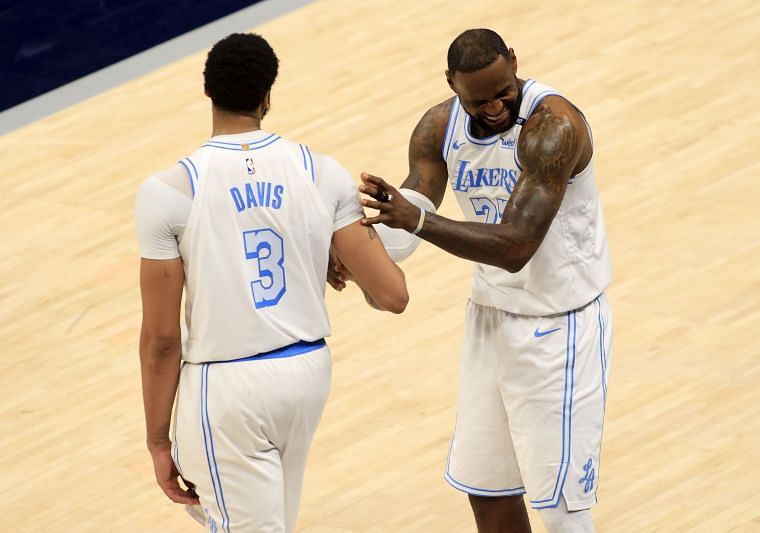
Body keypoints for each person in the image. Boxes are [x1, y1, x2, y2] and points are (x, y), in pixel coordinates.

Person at [135, 32, 408, 533]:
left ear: (207, 92)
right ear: (267, 96)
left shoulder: (168, 191)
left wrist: (157, 440)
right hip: (306, 375)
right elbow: (393, 295)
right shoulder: (322, 173)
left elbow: (161, 340)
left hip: (229, 388)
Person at [353, 28, 612, 533]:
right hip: (490, 319)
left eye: (503, 92)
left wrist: (418, 221)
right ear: (451, 83)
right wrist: (354, 245)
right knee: (488, 494)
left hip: (560, 326)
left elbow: (515, 247)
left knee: (560, 511)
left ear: (515, 62)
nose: (494, 108)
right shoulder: (437, 127)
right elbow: (410, 218)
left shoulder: (553, 127)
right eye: (478, 100)